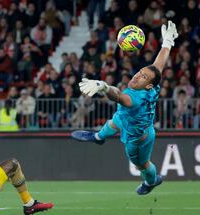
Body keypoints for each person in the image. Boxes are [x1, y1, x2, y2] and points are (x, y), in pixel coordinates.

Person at [72, 21, 179, 195]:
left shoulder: (133, 99)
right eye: (140, 72)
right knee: (117, 119)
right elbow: (159, 64)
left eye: (143, 77)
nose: (137, 76)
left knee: (142, 165)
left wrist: (104, 87)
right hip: (137, 121)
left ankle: (152, 181)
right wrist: (167, 43)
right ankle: (98, 137)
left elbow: (118, 96)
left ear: (148, 86)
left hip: (138, 139)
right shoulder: (153, 83)